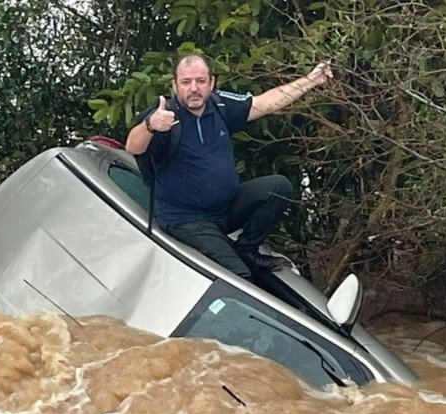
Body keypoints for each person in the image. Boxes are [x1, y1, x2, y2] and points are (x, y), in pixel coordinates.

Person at [126, 53, 333, 282]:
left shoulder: (220, 105)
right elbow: (133, 146)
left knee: (278, 186)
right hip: (186, 220)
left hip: (225, 211)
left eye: (200, 81)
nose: (194, 88)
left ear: (211, 83)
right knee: (240, 277)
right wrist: (150, 125)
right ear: (175, 86)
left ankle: (248, 249)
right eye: (186, 82)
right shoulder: (163, 114)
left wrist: (312, 79)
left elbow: (265, 103)